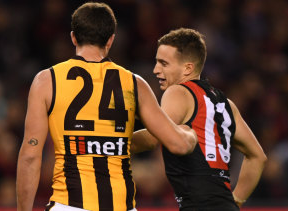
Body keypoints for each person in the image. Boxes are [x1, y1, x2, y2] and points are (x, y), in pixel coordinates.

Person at [16, 3, 198, 211]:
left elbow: (30, 155)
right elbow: (177, 144)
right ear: (111, 40)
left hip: (68, 204)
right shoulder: (135, 84)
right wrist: (189, 133)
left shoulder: (46, 81)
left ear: (74, 37)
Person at [131, 28, 267, 210]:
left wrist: (107, 143)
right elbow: (258, 157)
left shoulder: (178, 92)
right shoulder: (227, 104)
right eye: (156, 62)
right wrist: (237, 200)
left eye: (164, 63)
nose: (156, 70)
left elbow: (154, 137)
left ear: (187, 68)